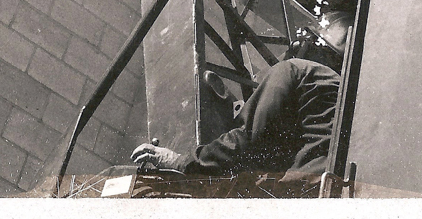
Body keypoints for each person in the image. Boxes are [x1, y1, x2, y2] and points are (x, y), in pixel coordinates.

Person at [131, 11, 352, 185]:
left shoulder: (297, 70)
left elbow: (247, 142)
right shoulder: (343, 102)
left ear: (306, 45)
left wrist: (179, 162)